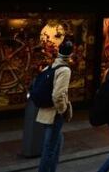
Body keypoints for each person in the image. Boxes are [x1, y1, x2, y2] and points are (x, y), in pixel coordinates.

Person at [36, 41, 74, 172]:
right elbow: (58, 95)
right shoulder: (64, 70)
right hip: (54, 113)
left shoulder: (51, 66)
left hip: (45, 111)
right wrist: (63, 110)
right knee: (50, 148)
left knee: (56, 143)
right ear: (71, 54)